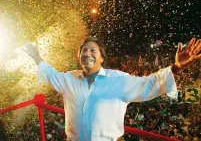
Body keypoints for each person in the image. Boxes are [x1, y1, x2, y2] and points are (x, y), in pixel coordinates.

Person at [23, 37, 201, 141]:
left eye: (93, 50)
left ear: (102, 57)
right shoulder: (69, 78)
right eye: (84, 50)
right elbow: (50, 74)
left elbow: (148, 84)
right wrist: (36, 57)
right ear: (79, 57)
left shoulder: (118, 80)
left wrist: (176, 67)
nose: (87, 53)